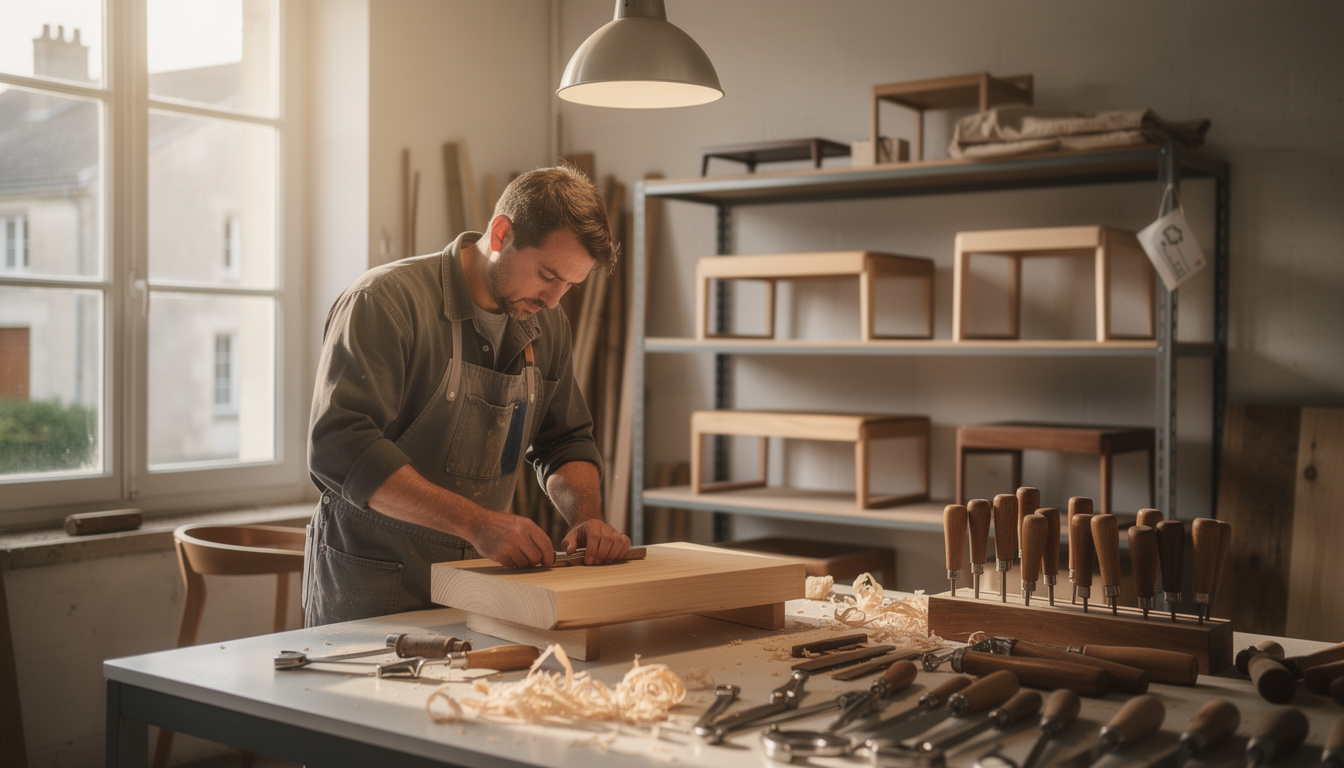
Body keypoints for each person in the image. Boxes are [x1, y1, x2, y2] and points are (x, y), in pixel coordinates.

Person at [303, 164, 630, 627]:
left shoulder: (548, 325)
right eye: (547, 275)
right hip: (371, 582)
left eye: (570, 286)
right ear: (500, 234)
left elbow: (565, 442)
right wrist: (477, 523)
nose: (554, 300)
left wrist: (586, 517)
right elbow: (340, 448)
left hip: (478, 584)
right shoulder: (384, 302)